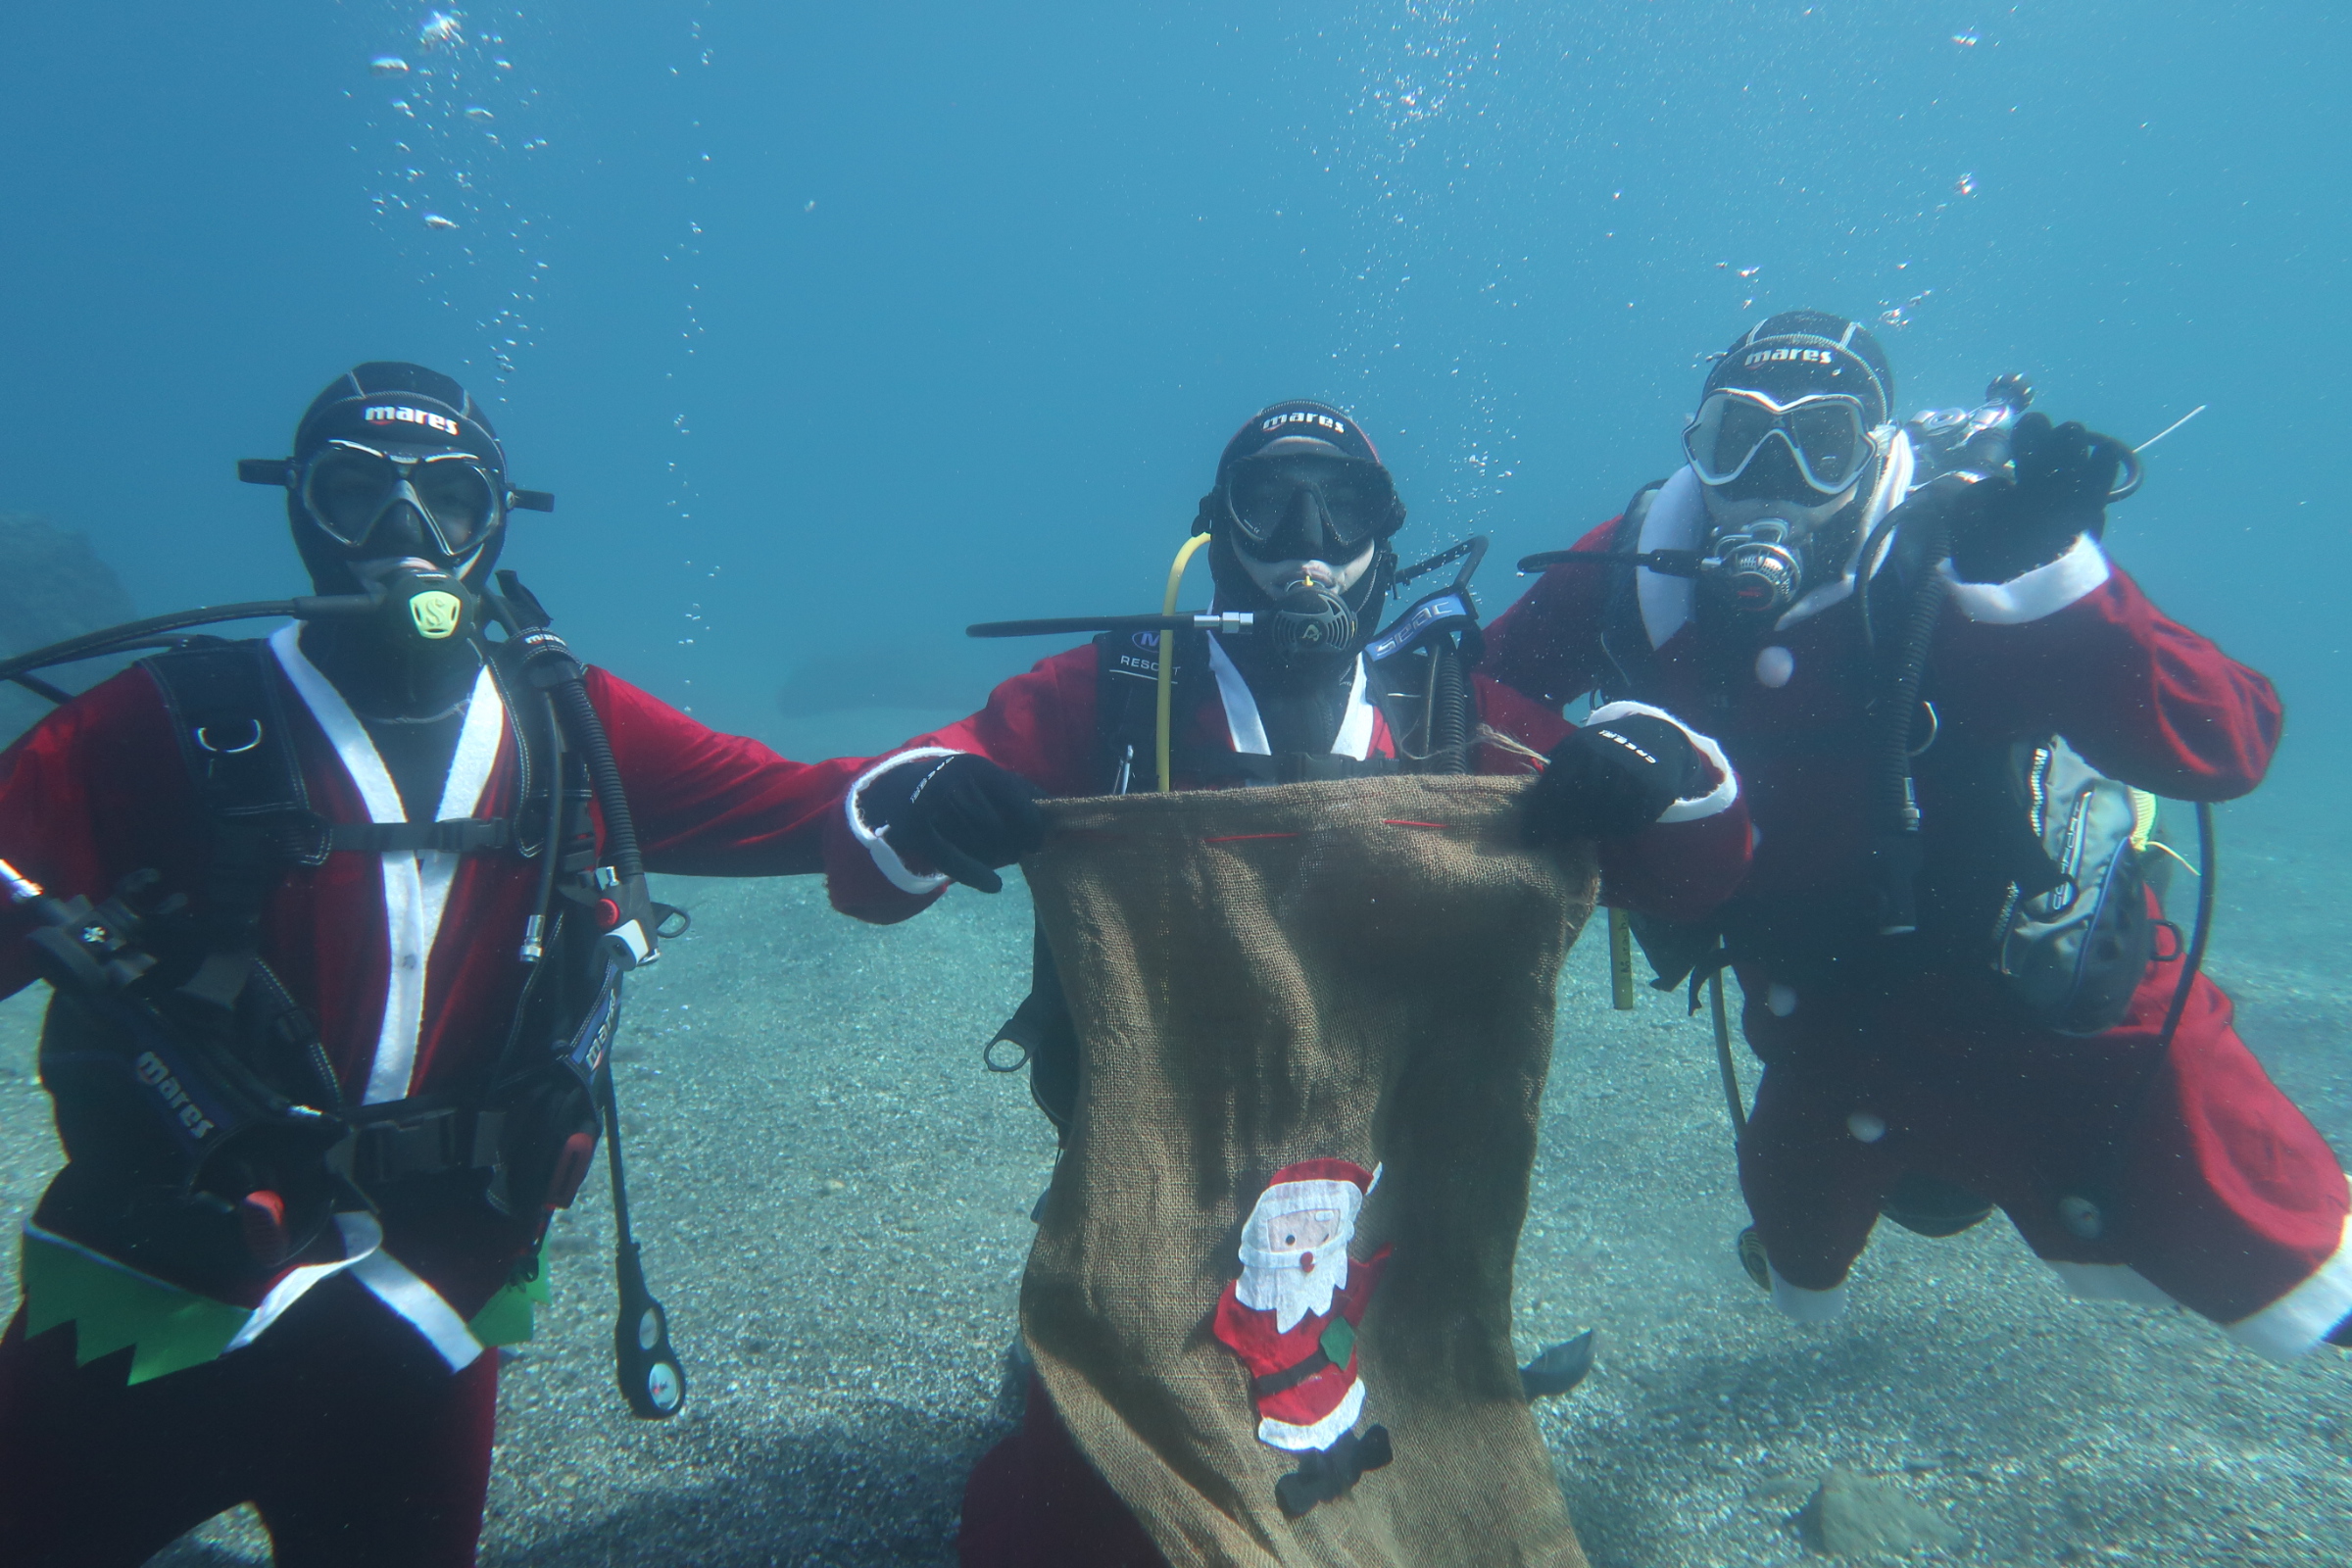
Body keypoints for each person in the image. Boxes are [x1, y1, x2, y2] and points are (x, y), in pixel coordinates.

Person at [0, 363, 917, 1567]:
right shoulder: (158, 719)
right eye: (355, 494)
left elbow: (796, 807)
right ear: (299, 510)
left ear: (495, 519)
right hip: (152, 1284)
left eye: (447, 499)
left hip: (430, 1299)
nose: (405, 537)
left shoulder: (566, 721)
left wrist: (955, 786)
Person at [838, 399, 1754, 1566]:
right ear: (1216, 532)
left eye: (1343, 504)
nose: (1307, 541)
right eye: (1267, 505)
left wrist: (1659, 758)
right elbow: (867, 867)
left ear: (1388, 530)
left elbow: (1694, 877)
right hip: (1153, 1156)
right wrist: (918, 800)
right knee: (1056, 1526)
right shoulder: (1115, 695)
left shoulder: (1448, 714)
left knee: (1406, 1471)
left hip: (1384, 1175)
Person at [1482, 310, 2352, 1361]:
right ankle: (1807, 1250)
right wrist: (1599, 758)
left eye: (1822, 445)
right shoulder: (1643, 562)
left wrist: (2067, 584)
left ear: (1877, 449)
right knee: (1801, 1216)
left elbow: (2230, 743)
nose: (1769, 480)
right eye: (1735, 441)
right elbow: (1486, 689)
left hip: (2047, 1015)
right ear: (1691, 446)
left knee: (2285, 1250)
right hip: (1819, 1022)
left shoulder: (1973, 545)